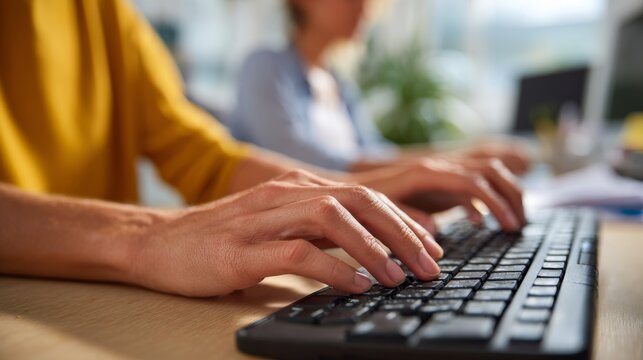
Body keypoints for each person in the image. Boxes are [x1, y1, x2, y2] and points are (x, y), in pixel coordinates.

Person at [0, 0, 524, 298]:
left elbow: (202, 155)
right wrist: (145, 235)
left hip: (100, 302)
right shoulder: (266, 66)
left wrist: (372, 191)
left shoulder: (101, 11)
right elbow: (298, 148)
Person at [229, 0, 530, 174]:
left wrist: (467, 157)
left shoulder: (340, 85)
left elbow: (379, 155)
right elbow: (299, 164)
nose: (365, 9)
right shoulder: (265, 67)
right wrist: (461, 160)